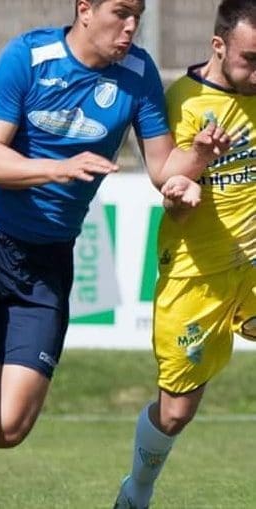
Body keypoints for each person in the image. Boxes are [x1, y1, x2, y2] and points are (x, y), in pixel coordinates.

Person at [0, 1, 230, 507]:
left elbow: (162, 169)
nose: (131, 26)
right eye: (121, 12)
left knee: (8, 428)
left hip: (46, 262)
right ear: (85, 9)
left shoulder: (138, 73)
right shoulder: (29, 56)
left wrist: (196, 158)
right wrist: (55, 168)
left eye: (138, 14)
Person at [113, 0, 256, 507]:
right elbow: (170, 196)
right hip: (196, 274)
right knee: (175, 413)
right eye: (250, 59)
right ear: (218, 46)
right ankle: (136, 491)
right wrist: (180, 193)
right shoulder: (182, 101)